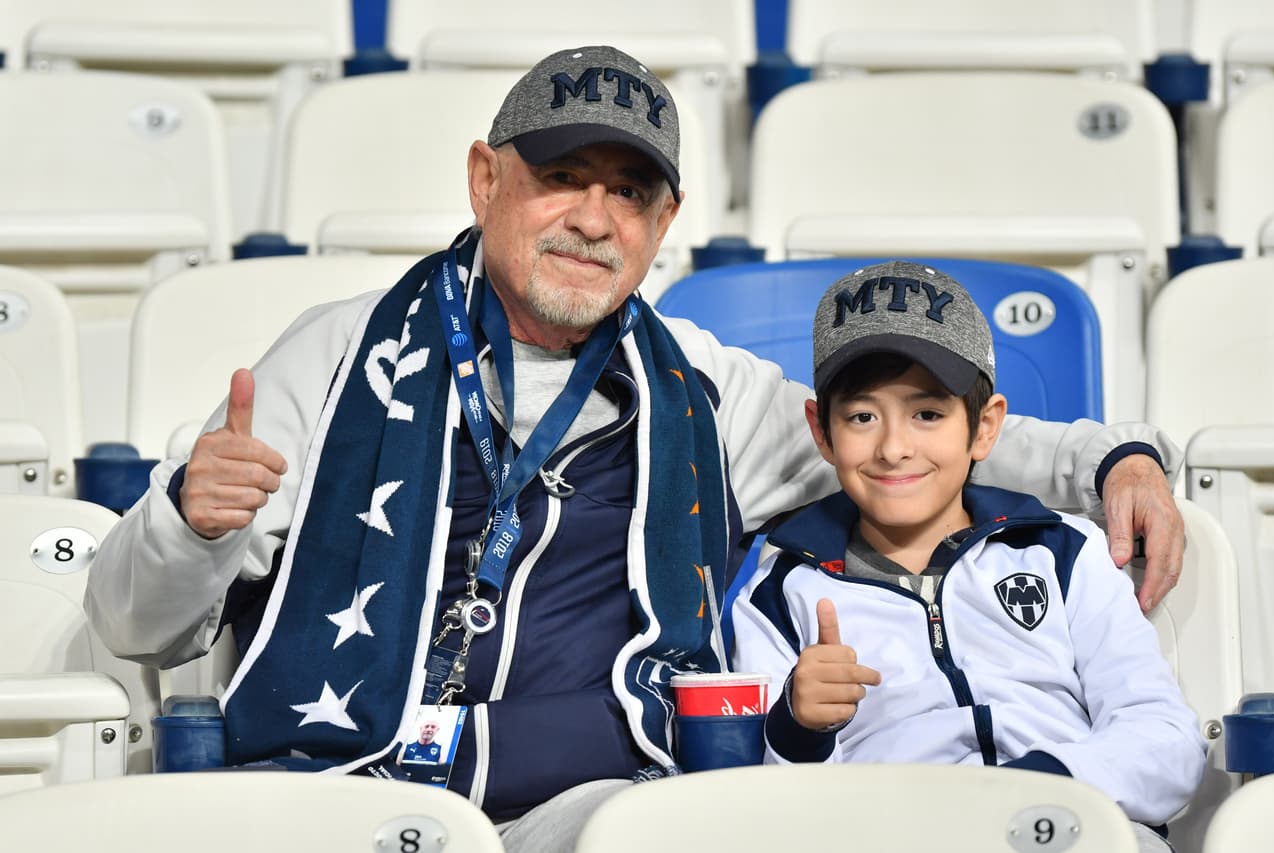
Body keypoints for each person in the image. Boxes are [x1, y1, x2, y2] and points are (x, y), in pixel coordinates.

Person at [86, 45, 1186, 852]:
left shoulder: (700, 388)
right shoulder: (336, 356)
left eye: (629, 192)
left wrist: (1106, 463)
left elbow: (906, 438)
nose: (593, 217)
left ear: (663, 225)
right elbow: (134, 625)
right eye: (563, 176)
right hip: (337, 783)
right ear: (485, 181)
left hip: (576, 803)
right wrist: (187, 527)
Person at [730, 261, 1205, 852]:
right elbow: (776, 811)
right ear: (821, 432)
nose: (894, 447)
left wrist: (1041, 786)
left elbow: (1167, 743)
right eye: (862, 417)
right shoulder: (778, 596)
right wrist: (800, 729)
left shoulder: (1063, 552)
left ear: (984, 427)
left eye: (927, 414)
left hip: (1070, 826)